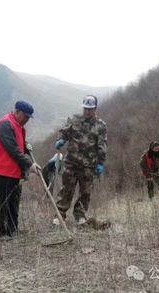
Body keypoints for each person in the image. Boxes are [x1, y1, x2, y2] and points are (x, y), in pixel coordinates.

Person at [53, 95, 107, 225]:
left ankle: (80, 216)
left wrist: (100, 162)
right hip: (71, 162)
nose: (87, 111)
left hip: (89, 165)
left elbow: (102, 144)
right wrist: (61, 140)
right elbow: (64, 133)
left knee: (85, 192)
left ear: (95, 109)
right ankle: (59, 215)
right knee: (66, 190)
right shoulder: (74, 120)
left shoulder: (100, 125)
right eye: (86, 109)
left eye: (90, 109)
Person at [0, 100, 39, 241]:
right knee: (2, 203)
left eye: (29, 117)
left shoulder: (19, 126)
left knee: (13, 203)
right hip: (2, 171)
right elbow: (12, 149)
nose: (27, 120)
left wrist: (26, 148)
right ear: (17, 112)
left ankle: (13, 230)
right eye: (26, 116)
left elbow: (20, 146)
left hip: (14, 173)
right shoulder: (5, 124)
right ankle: (1, 233)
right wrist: (30, 164)